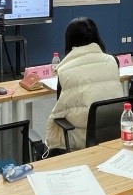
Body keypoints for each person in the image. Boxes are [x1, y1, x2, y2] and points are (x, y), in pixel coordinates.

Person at [44, 17, 122, 153]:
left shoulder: (64, 70)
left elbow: (62, 108)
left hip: (80, 139)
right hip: (113, 133)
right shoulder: (113, 61)